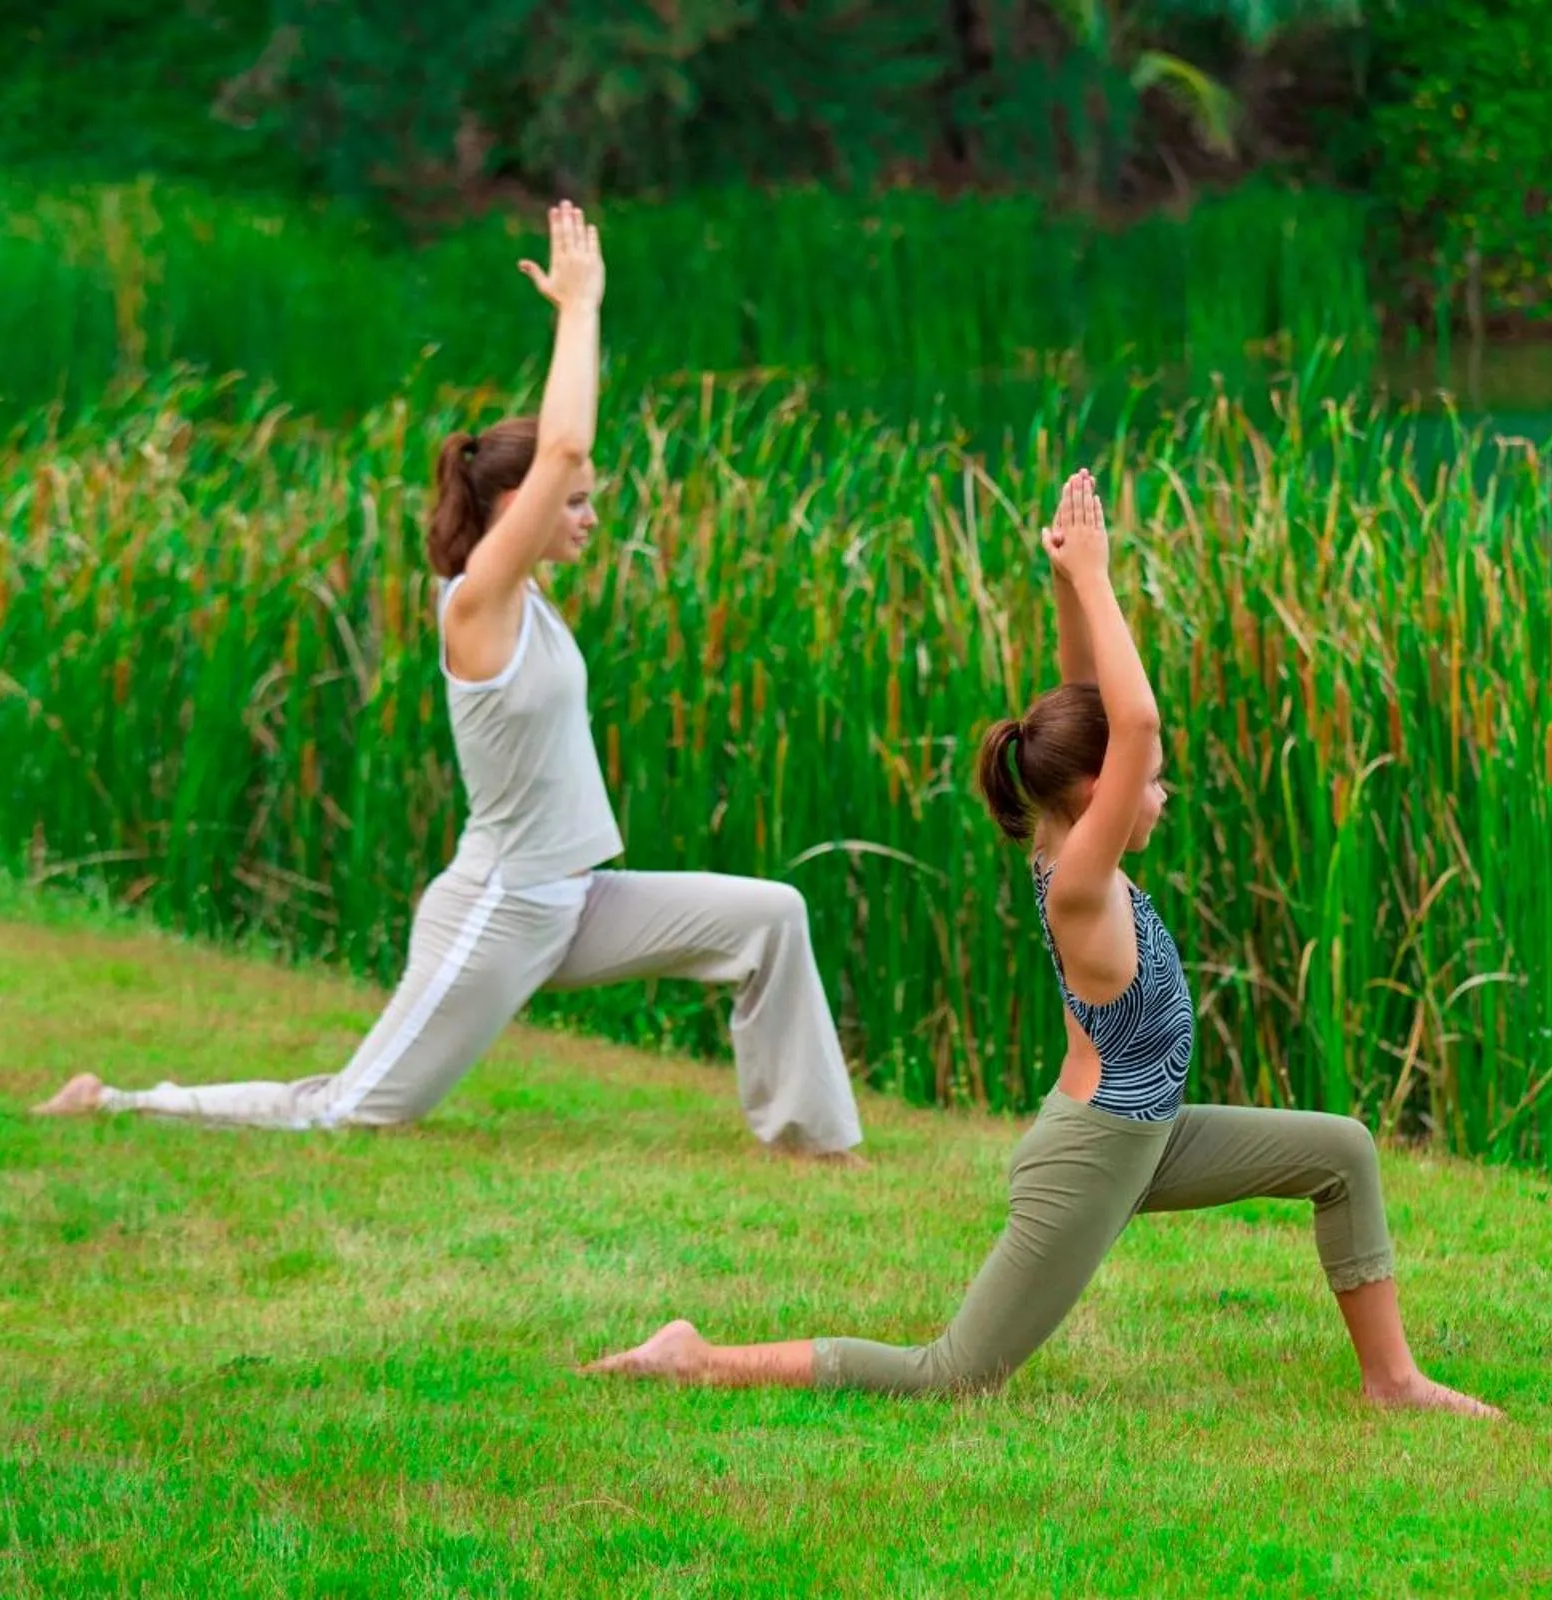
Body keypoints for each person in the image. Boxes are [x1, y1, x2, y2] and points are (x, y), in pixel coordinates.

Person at [583, 469, 1499, 1412]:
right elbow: (1133, 724)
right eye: (1149, 784)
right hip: (1093, 1155)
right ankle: (696, 1355)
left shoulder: (1064, 833)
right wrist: (1100, 578)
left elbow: (1090, 703)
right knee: (950, 1377)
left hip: (1149, 1134)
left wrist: (1066, 581)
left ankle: (1393, 1382)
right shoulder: (1078, 885)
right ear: (1094, 795)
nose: (1161, 794)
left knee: (1342, 1151)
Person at [33, 202, 865, 1162]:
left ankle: (816, 1145)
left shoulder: (532, 602)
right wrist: (579, 309)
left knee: (772, 916)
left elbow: (557, 464)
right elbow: (559, 447)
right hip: (499, 911)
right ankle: (120, 1101)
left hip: (578, 900)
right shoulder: (477, 603)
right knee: (350, 1110)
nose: (589, 515)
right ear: (513, 508)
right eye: (577, 502)